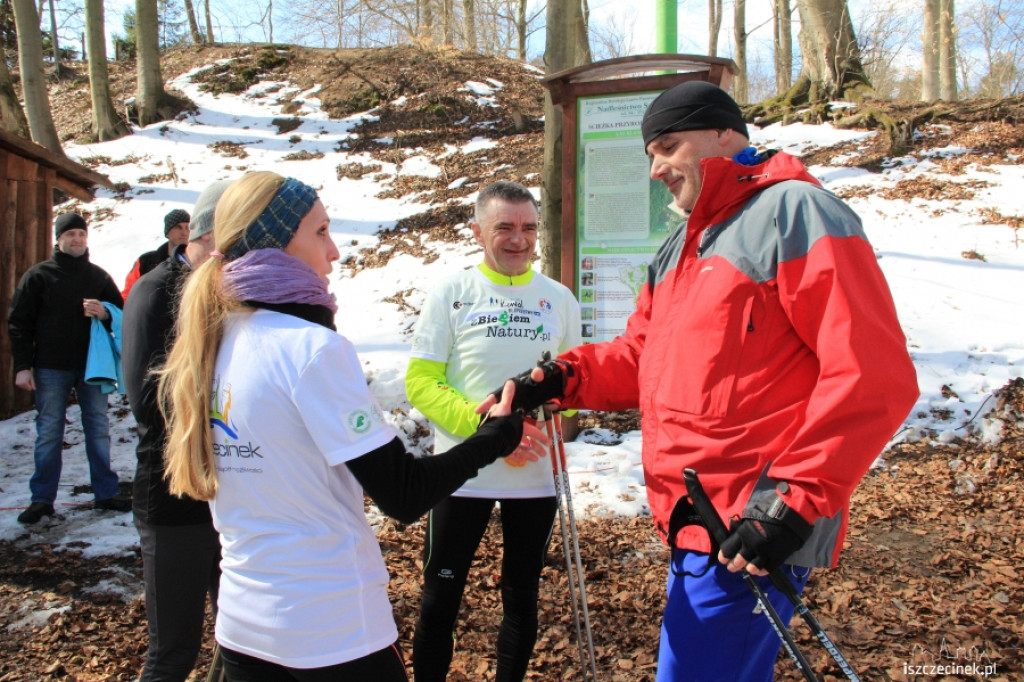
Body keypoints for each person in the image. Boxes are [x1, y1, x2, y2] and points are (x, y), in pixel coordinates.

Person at [494, 81, 919, 681]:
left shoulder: (796, 211)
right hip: (693, 522)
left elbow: (873, 372)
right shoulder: (681, 245)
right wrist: (561, 378)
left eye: (668, 146)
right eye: (649, 154)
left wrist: (791, 503)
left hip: (752, 523)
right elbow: (644, 356)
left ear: (725, 134)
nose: (655, 169)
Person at [157, 171, 548, 681]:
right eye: (321, 232)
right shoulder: (310, 348)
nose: (335, 251)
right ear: (275, 244)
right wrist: (495, 437)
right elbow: (404, 494)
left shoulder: (214, 337)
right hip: (329, 624)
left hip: (243, 625)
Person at [406, 181, 581, 682]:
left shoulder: (558, 298)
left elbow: (575, 379)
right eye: (504, 227)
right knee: (440, 597)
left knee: (521, 596)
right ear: (478, 232)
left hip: (536, 476)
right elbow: (421, 381)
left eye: (528, 228)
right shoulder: (452, 292)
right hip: (462, 471)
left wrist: (557, 408)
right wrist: (488, 429)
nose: (518, 239)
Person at [122, 181, 231, 682]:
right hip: (173, 499)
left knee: (239, 646)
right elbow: (147, 403)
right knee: (173, 653)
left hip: (230, 492)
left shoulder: (231, 292)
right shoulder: (155, 291)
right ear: (207, 235)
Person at [8, 212, 130, 524]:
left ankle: (106, 492)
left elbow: (122, 314)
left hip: (92, 366)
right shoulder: (39, 276)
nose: (76, 239)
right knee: (49, 431)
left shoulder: (98, 277)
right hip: (50, 366)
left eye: (81, 234)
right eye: (70, 234)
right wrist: (23, 366)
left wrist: (104, 313)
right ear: (58, 239)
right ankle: (42, 500)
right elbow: (19, 323)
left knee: (98, 429)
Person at [121, 208, 191, 299]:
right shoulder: (146, 262)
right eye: (178, 227)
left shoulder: (198, 260)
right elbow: (127, 295)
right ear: (168, 232)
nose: (184, 232)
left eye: (188, 227)